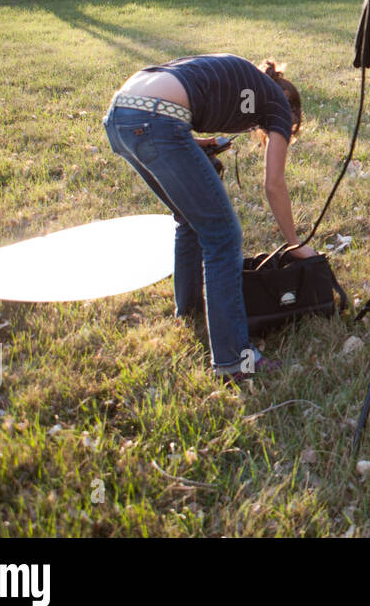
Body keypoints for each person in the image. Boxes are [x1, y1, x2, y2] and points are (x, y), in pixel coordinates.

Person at [101, 54, 319, 379]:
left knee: (188, 218)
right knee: (223, 235)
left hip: (121, 115)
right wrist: (294, 244)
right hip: (155, 120)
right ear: (291, 109)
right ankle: (233, 360)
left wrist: (198, 145)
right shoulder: (278, 105)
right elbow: (274, 184)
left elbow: (175, 96)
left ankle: (189, 312)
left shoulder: (244, 80)